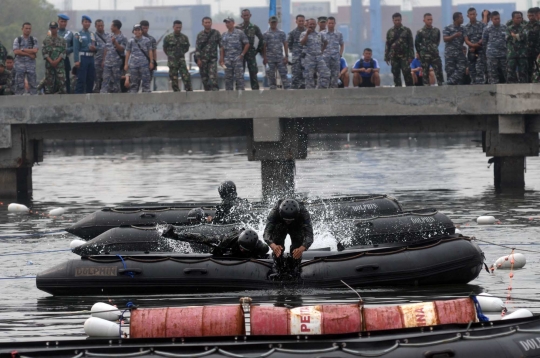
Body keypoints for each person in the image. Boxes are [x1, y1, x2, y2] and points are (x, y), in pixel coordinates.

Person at [264, 199, 314, 281]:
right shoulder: (275, 212)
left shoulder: (303, 213)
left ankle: (295, 265)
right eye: (286, 220)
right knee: (277, 242)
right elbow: (266, 233)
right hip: (280, 224)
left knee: (297, 245)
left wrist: (302, 248)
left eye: (289, 220)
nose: (288, 222)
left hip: (296, 224)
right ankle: (278, 264)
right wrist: (273, 246)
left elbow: (309, 235)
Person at [236, 9, 264, 90]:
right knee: (240, 72)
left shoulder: (254, 27)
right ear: (242, 16)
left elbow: (262, 39)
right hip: (240, 52)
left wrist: (257, 50)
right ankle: (239, 89)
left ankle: (255, 89)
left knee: (253, 71)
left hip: (251, 52)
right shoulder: (237, 28)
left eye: (247, 15)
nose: (246, 17)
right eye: (244, 15)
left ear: (250, 15)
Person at [384, 13, 414, 87]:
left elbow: (411, 44)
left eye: (399, 20)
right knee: (396, 73)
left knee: (407, 72)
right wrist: (386, 57)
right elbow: (388, 44)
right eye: (395, 20)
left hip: (405, 56)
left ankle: (410, 89)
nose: (397, 21)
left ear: (401, 20)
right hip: (394, 56)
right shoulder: (390, 32)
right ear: (393, 21)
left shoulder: (407, 30)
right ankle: (398, 90)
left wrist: (411, 56)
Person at [220, 17, 249, 91]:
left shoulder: (239, 32)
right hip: (227, 60)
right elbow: (222, 48)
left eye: (229, 22)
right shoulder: (224, 35)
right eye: (226, 23)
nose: (227, 24)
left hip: (237, 59)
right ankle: (229, 96)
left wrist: (242, 54)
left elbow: (247, 44)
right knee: (228, 78)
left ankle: (241, 94)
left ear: (233, 23)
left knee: (239, 77)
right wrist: (222, 59)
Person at [300, 18, 330, 89]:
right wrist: (307, 33)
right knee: (309, 77)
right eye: (310, 24)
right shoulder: (303, 33)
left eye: (313, 24)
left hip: (319, 57)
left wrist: (322, 50)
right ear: (307, 25)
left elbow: (326, 42)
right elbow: (302, 43)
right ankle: (310, 93)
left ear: (316, 25)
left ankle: (320, 89)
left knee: (325, 73)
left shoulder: (319, 34)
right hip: (309, 58)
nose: (312, 25)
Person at [415, 13, 444, 86]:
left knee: (439, 71)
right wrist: (421, 53)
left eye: (431, 19)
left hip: (435, 55)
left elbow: (437, 41)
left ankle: (441, 86)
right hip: (425, 56)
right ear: (424, 20)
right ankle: (426, 89)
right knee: (425, 73)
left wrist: (433, 48)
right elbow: (417, 44)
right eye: (428, 20)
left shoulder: (436, 30)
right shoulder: (420, 32)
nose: (430, 21)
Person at [163, 20, 192, 92]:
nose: (178, 29)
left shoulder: (184, 37)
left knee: (186, 76)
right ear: (173, 27)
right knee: (174, 77)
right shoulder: (168, 38)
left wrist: (180, 54)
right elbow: (165, 48)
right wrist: (171, 55)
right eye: (177, 27)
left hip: (181, 60)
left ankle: (189, 91)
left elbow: (186, 48)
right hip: (172, 61)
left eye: (180, 27)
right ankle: (176, 92)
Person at [125, 24, 154, 93]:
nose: (137, 32)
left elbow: (150, 51)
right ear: (133, 31)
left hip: (144, 64)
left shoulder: (147, 40)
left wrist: (151, 62)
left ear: (141, 31)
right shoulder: (130, 41)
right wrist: (126, 64)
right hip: (133, 65)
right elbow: (128, 53)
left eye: (139, 30)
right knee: (134, 84)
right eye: (135, 30)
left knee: (146, 83)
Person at [263, 16, 290, 90]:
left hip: (280, 57)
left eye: (275, 22)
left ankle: (288, 91)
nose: (273, 24)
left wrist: (286, 56)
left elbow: (285, 44)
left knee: (284, 75)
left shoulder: (281, 33)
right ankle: (273, 92)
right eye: (272, 22)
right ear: (269, 23)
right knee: (271, 76)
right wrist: (264, 57)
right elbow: (264, 46)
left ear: (277, 23)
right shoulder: (266, 34)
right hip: (270, 58)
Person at [100, 20, 127, 94]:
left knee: (116, 80)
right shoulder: (108, 36)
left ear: (116, 27)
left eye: (112, 26)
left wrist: (115, 42)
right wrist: (103, 60)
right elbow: (106, 48)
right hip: (107, 62)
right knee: (105, 79)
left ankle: (117, 95)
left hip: (117, 63)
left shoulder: (123, 37)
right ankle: (103, 93)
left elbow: (122, 49)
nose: (110, 27)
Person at [196, 17, 221, 91]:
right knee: (205, 79)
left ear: (211, 23)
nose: (207, 24)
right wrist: (198, 59)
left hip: (212, 60)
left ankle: (216, 93)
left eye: (209, 22)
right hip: (203, 61)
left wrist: (222, 58)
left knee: (213, 78)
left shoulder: (216, 33)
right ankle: (207, 96)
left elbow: (221, 46)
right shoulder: (200, 35)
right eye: (206, 22)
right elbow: (198, 48)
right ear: (202, 24)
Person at [73, 15, 97, 94]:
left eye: (88, 22)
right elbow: (76, 48)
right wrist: (76, 60)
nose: (87, 24)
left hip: (91, 58)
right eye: (85, 22)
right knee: (81, 79)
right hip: (83, 58)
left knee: (90, 79)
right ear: (82, 23)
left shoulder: (92, 34)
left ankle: (89, 97)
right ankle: (78, 98)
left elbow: (97, 46)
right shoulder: (78, 34)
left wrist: (95, 48)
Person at [12, 22, 38, 95]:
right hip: (20, 65)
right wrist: (29, 54)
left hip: (31, 65)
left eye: (29, 28)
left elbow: (35, 50)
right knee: (19, 85)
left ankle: (34, 101)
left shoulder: (33, 39)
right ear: (22, 29)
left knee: (33, 84)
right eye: (26, 28)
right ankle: (18, 102)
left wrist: (22, 50)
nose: (28, 30)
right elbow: (16, 51)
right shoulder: (17, 39)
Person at [42, 21, 67, 94]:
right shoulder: (46, 40)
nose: (53, 30)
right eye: (52, 28)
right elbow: (44, 52)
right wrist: (51, 61)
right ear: (50, 28)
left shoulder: (62, 40)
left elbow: (64, 52)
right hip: (49, 66)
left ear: (57, 28)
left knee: (62, 85)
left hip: (60, 65)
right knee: (48, 86)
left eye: (55, 28)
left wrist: (57, 61)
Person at [483, 11, 507, 84]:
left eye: (498, 18)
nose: (497, 20)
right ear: (491, 19)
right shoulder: (487, 29)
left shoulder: (504, 28)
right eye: (495, 19)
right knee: (492, 75)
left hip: (503, 55)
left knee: (507, 73)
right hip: (492, 55)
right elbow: (484, 42)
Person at [464, 8, 487, 85]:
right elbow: (466, 40)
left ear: (476, 15)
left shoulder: (482, 25)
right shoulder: (466, 27)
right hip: (471, 52)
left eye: (474, 14)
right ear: (468, 16)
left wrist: (477, 45)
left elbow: (484, 37)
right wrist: (472, 46)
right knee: (472, 70)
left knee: (479, 69)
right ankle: (473, 85)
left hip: (480, 51)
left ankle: (480, 86)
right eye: (471, 14)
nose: (472, 16)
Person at [443, 12, 466, 85]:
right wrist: (454, 36)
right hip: (450, 53)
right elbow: (445, 38)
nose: (462, 19)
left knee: (462, 68)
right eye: (461, 18)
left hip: (459, 53)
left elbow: (466, 38)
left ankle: (450, 82)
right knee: (450, 71)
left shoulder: (463, 28)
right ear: (456, 19)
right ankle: (450, 87)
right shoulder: (448, 27)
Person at [506, 11, 528, 83]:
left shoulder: (524, 28)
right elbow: (507, 37)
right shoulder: (508, 28)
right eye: (517, 18)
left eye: (520, 18)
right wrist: (518, 36)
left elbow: (525, 37)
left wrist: (515, 36)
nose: (519, 19)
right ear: (513, 19)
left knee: (523, 73)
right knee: (510, 73)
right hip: (512, 54)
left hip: (522, 54)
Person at [322, 17, 344, 88]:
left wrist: (340, 54)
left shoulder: (339, 34)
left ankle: (333, 94)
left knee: (335, 76)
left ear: (335, 24)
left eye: (332, 23)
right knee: (325, 76)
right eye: (329, 23)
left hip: (335, 58)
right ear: (326, 24)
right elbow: (319, 45)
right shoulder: (321, 34)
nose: (331, 25)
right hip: (325, 58)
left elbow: (342, 44)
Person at [287, 14, 306, 89]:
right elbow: (289, 44)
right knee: (296, 76)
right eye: (299, 21)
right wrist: (295, 51)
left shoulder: (307, 32)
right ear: (296, 21)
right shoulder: (292, 33)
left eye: (302, 21)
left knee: (305, 76)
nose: (301, 22)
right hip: (296, 58)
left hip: (306, 58)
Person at [57, 14, 74, 94]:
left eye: (65, 22)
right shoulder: (52, 32)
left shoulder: (70, 34)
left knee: (66, 78)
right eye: (62, 21)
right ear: (58, 21)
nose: (63, 23)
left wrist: (67, 50)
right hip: (54, 59)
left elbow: (74, 47)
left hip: (65, 58)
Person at [524, 8, 540, 82]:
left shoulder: (538, 25)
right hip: (528, 52)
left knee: (537, 69)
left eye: (532, 15)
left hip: (537, 51)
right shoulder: (525, 26)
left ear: (536, 15)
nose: (531, 17)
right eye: (529, 16)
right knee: (528, 70)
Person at [93, 19, 108, 93]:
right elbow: (92, 47)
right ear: (95, 26)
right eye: (98, 26)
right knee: (97, 78)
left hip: (107, 61)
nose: (100, 27)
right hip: (97, 61)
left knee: (106, 78)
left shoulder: (108, 35)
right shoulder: (93, 36)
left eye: (101, 25)